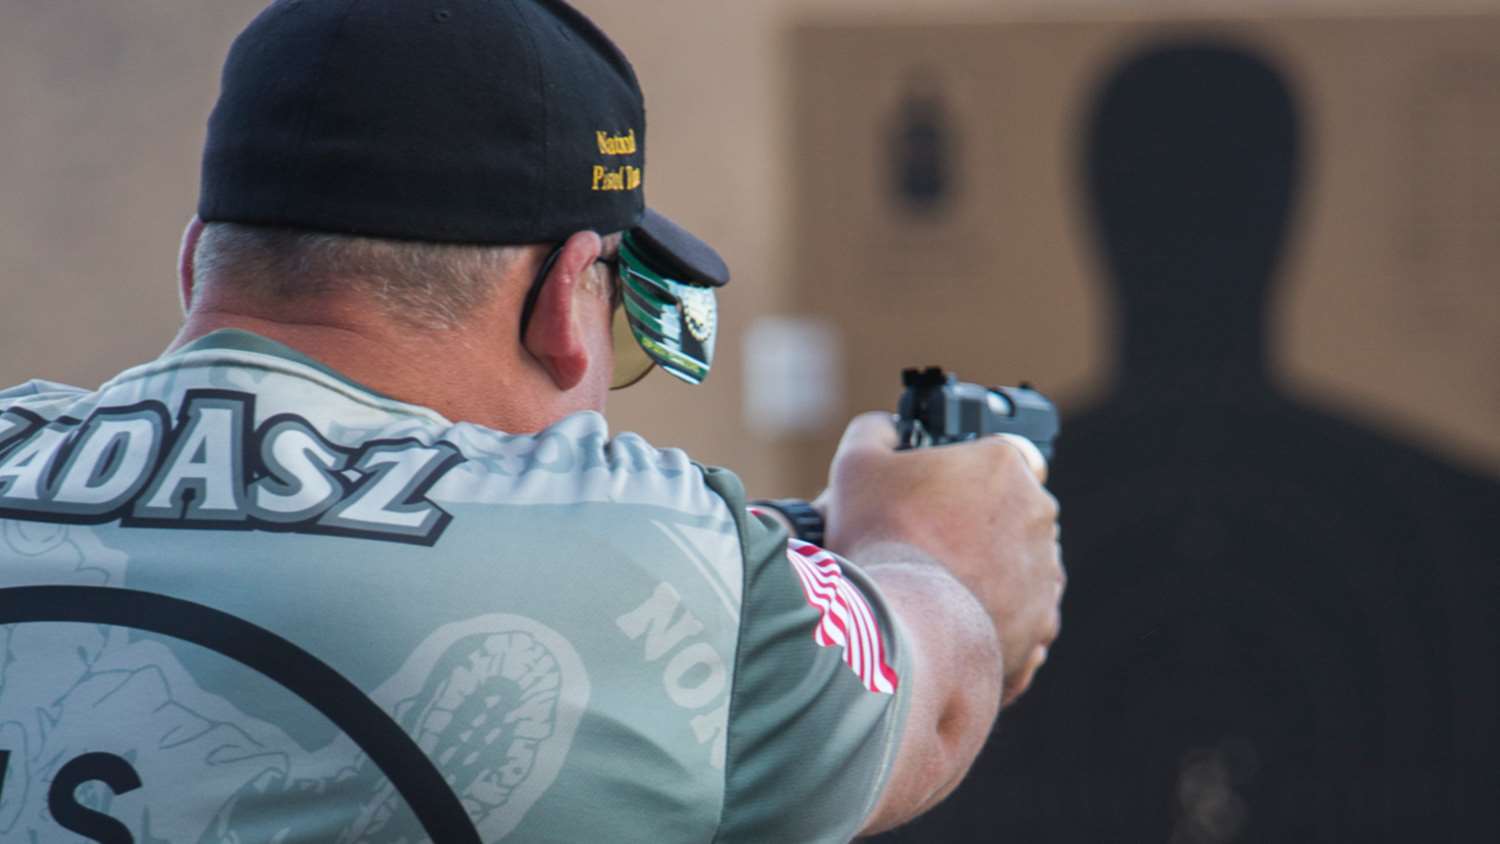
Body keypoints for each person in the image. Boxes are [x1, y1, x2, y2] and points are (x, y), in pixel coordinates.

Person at [0, 1, 1063, 841]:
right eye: (631, 323)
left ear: (197, 264)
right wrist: (922, 552)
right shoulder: (639, 554)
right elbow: (937, 696)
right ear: (568, 301)